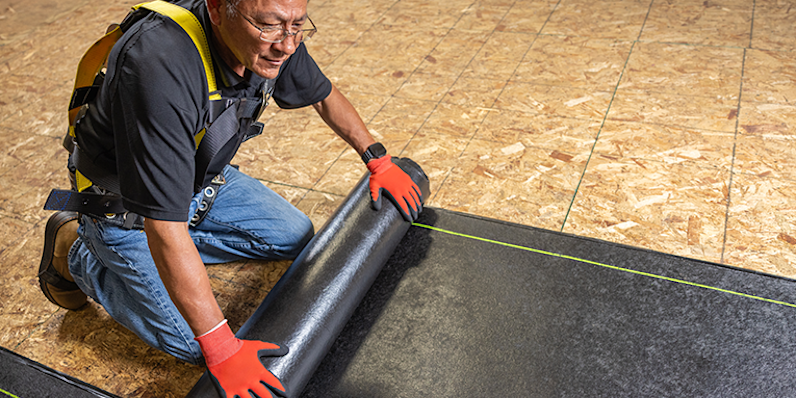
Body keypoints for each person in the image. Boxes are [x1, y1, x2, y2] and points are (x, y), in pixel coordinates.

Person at [36, 0, 423, 396]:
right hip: (126, 210)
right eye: (273, 26)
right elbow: (164, 226)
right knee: (194, 343)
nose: (288, 45)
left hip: (198, 182)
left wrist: (377, 159)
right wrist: (221, 347)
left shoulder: (269, 35)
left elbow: (321, 94)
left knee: (294, 235)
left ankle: (170, 260)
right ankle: (79, 254)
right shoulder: (158, 65)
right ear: (219, 10)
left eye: (297, 25)